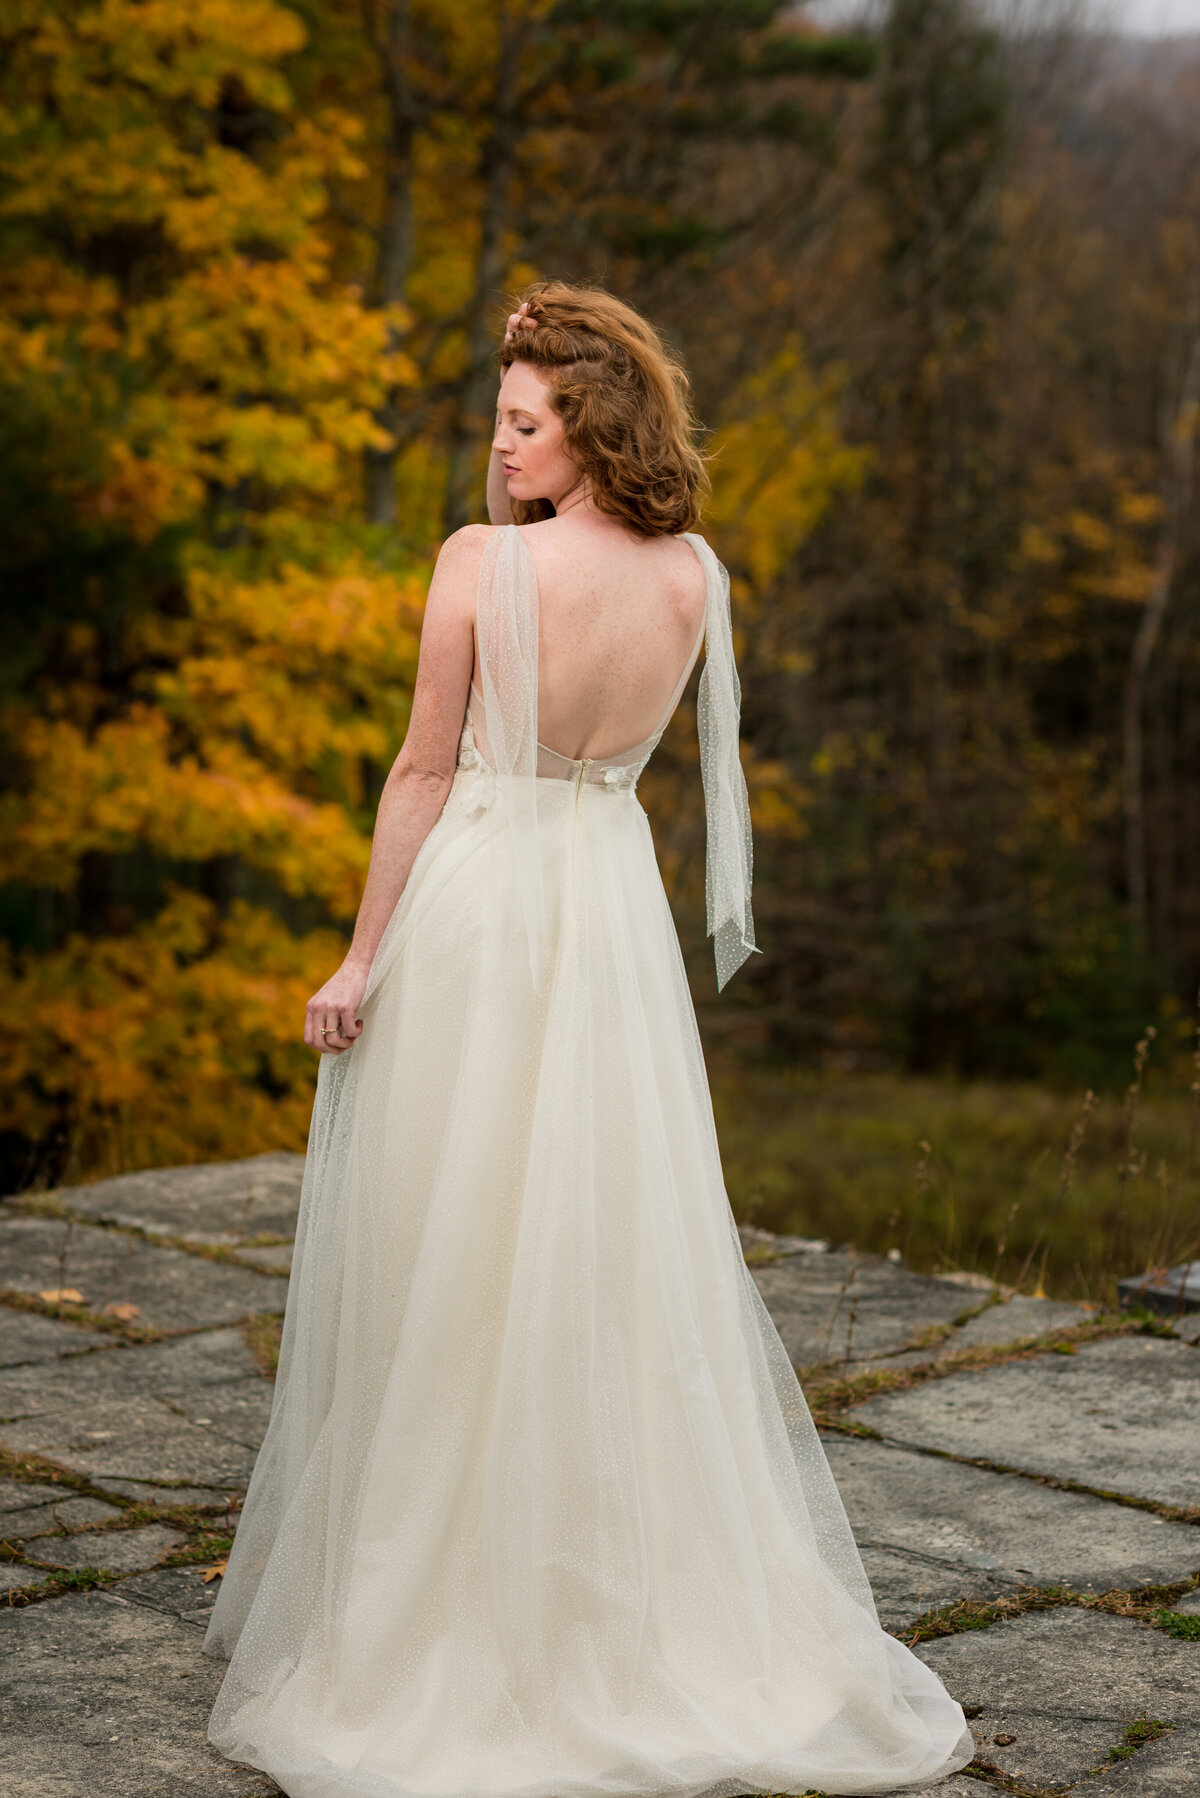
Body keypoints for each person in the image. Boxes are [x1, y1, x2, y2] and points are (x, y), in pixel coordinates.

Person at [203, 280, 975, 1798]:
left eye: (524, 419)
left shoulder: (484, 565)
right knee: (609, 1253)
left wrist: (362, 954)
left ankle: (455, 1619)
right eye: (500, 416)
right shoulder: (697, 577)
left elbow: (424, 774)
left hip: (489, 907)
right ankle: (618, 1597)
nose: (498, 445)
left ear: (591, 424)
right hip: (613, 918)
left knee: (455, 1249)